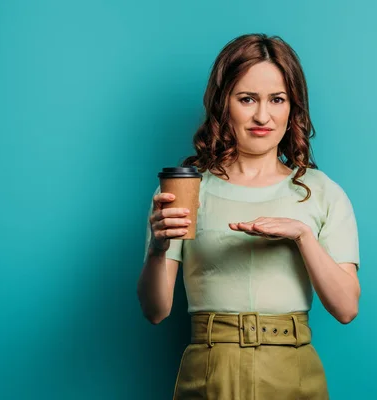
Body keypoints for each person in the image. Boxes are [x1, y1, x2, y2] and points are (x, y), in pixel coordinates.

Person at [137, 33, 361, 400]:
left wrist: (302, 236)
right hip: (210, 372)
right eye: (247, 99)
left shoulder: (321, 191)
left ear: (294, 108)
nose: (262, 116)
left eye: (277, 99)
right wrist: (158, 249)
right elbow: (155, 310)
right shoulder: (188, 189)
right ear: (223, 105)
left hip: (292, 372)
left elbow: (347, 308)